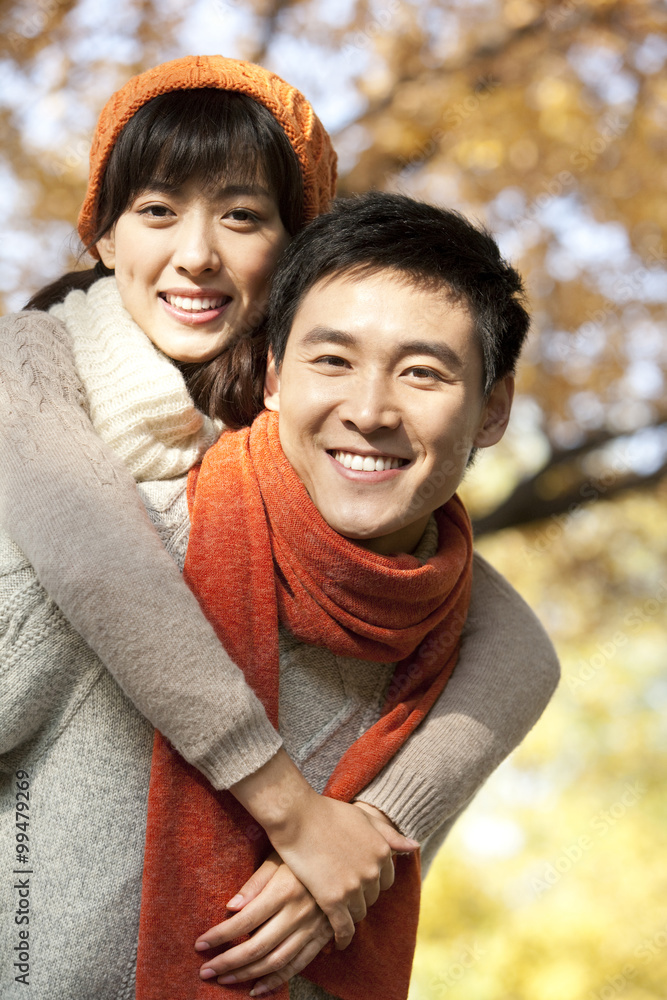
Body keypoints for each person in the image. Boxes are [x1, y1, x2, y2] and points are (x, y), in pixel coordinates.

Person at [0, 57, 559, 999]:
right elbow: (95, 552)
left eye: (244, 216)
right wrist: (294, 815)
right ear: (98, 233)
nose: (197, 254)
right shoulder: (39, 362)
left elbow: (503, 634)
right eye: (155, 210)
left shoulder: (293, 446)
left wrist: (370, 833)